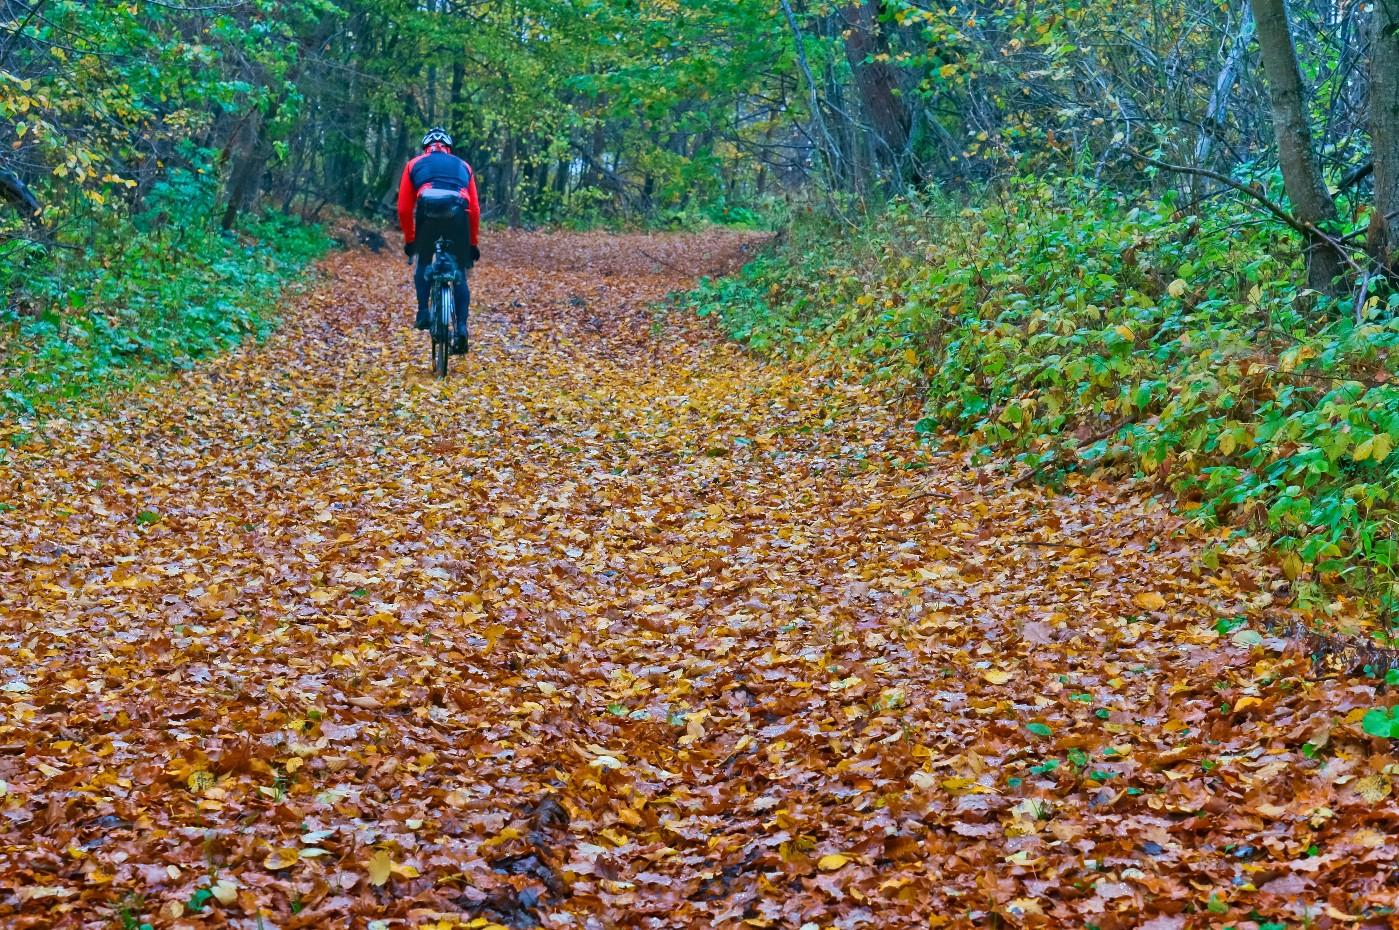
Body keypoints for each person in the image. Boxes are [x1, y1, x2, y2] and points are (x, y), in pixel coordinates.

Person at [397, 127, 481, 354]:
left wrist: (411, 241)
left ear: (426, 148)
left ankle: (423, 312)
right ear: (449, 148)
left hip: (428, 212)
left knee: (424, 262)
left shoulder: (414, 164)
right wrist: (472, 244)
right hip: (458, 215)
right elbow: (474, 209)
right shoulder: (464, 166)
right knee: (460, 274)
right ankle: (461, 328)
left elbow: (404, 209)